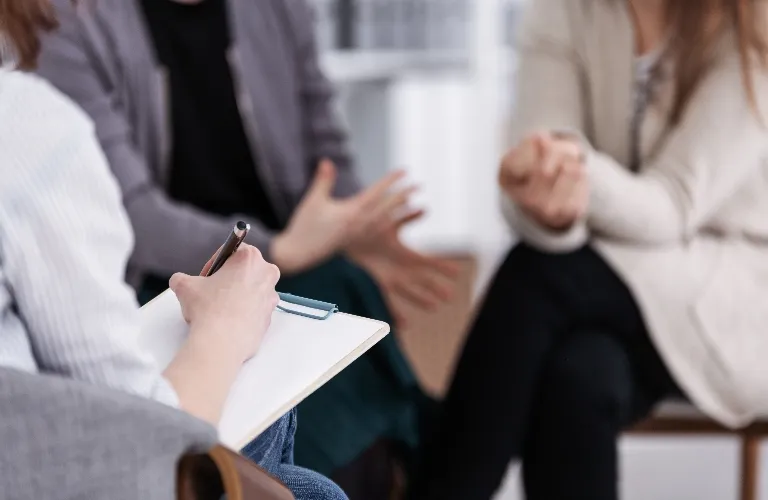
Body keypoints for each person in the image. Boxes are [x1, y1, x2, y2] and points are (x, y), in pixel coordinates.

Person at [36, 0, 458, 494]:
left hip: (283, 262)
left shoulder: (278, 8)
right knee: (331, 321)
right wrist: (287, 247)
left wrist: (351, 228)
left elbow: (326, 149)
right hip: (165, 278)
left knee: (345, 292)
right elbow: (129, 211)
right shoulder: (70, 22)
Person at [409, 0, 768, 499]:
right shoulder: (560, 13)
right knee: (580, 374)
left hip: (732, 295)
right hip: (600, 293)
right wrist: (543, 198)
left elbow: (674, 203)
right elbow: (536, 169)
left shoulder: (751, 26)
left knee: (536, 278)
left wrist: (573, 172)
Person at [0, 2, 345, 498]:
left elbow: (326, 145)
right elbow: (143, 455)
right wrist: (227, 325)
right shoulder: (26, 121)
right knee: (310, 489)